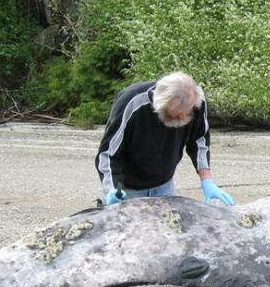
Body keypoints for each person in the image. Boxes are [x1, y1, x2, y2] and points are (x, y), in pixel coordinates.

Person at [95, 72, 235, 207]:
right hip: (126, 189)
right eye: (175, 114)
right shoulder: (131, 103)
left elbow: (199, 140)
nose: (182, 119)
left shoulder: (196, 101)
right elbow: (108, 153)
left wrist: (207, 180)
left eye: (186, 113)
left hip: (164, 186)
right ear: (159, 105)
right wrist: (111, 189)